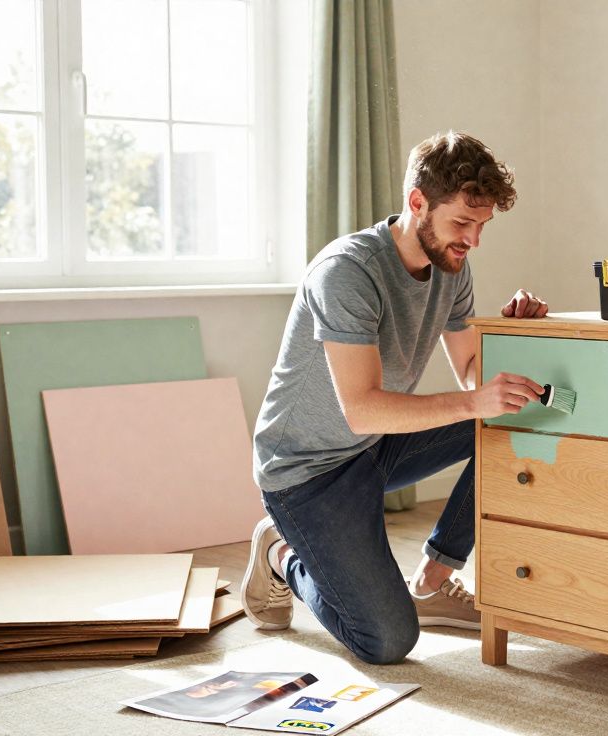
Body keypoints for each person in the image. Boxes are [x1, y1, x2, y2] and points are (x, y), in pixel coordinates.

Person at [239, 131, 550, 665]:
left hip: (373, 448)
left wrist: (509, 338)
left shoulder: (453, 267)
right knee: (386, 642)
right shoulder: (347, 273)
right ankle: (283, 552)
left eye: (482, 226)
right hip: (306, 472)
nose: (473, 240)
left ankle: (433, 578)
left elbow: (473, 375)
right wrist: (477, 403)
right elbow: (362, 409)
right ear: (417, 203)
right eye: (462, 223)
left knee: (517, 420)